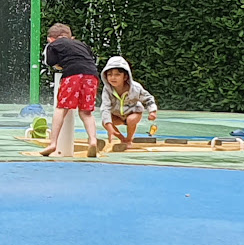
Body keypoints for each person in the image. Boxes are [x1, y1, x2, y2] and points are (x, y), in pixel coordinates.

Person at [40, 23, 100, 157]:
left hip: (72, 75)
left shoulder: (53, 45)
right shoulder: (81, 44)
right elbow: (90, 57)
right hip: (91, 75)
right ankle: (92, 140)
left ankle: (53, 143)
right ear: (71, 37)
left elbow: (50, 62)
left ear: (51, 39)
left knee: (61, 108)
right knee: (86, 112)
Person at [100, 55, 157, 149]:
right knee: (105, 122)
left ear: (125, 77)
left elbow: (148, 98)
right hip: (116, 114)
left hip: (133, 112)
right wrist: (109, 126)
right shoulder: (107, 90)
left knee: (131, 120)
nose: (113, 77)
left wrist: (152, 111)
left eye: (117, 75)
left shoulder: (135, 88)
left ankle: (129, 139)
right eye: (109, 74)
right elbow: (105, 107)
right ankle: (122, 139)